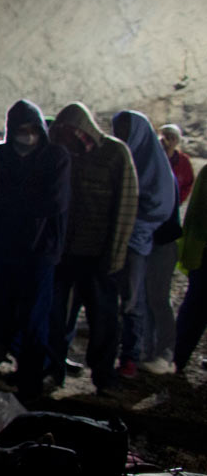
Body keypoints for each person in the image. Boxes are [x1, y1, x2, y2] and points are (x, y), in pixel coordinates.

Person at [49, 103, 138, 393]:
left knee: (103, 319)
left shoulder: (115, 154)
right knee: (57, 316)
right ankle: (53, 370)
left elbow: (125, 205)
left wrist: (114, 256)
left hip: (98, 255)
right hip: (64, 254)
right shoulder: (62, 153)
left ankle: (103, 376)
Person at [0, 100, 70, 400]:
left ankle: (30, 385)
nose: (27, 135)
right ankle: (32, 363)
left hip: (40, 253)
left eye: (33, 130)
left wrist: (12, 200)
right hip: (4, 249)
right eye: (21, 130)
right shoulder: (0, 155)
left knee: (35, 319)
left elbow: (53, 202)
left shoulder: (55, 157)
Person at [112, 110, 179, 377]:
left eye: (127, 131)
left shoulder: (158, 168)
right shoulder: (126, 160)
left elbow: (159, 208)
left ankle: (157, 353)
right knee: (133, 299)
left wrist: (127, 216)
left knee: (149, 299)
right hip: (133, 241)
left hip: (154, 244)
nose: (122, 137)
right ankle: (138, 351)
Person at [173, 169, 207, 374]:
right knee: (196, 306)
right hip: (204, 252)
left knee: (195, 307)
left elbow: (196, 213)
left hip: (203, 251)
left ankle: (177, 357)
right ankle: (178, 356)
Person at [160, 124, 194, 205]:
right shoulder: (154, 158)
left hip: (173, 204)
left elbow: (188, 183)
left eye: (173, 138)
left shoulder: (184, 161)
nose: (169, 141)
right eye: (167, 137)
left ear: (177, 140)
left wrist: (178, 201)